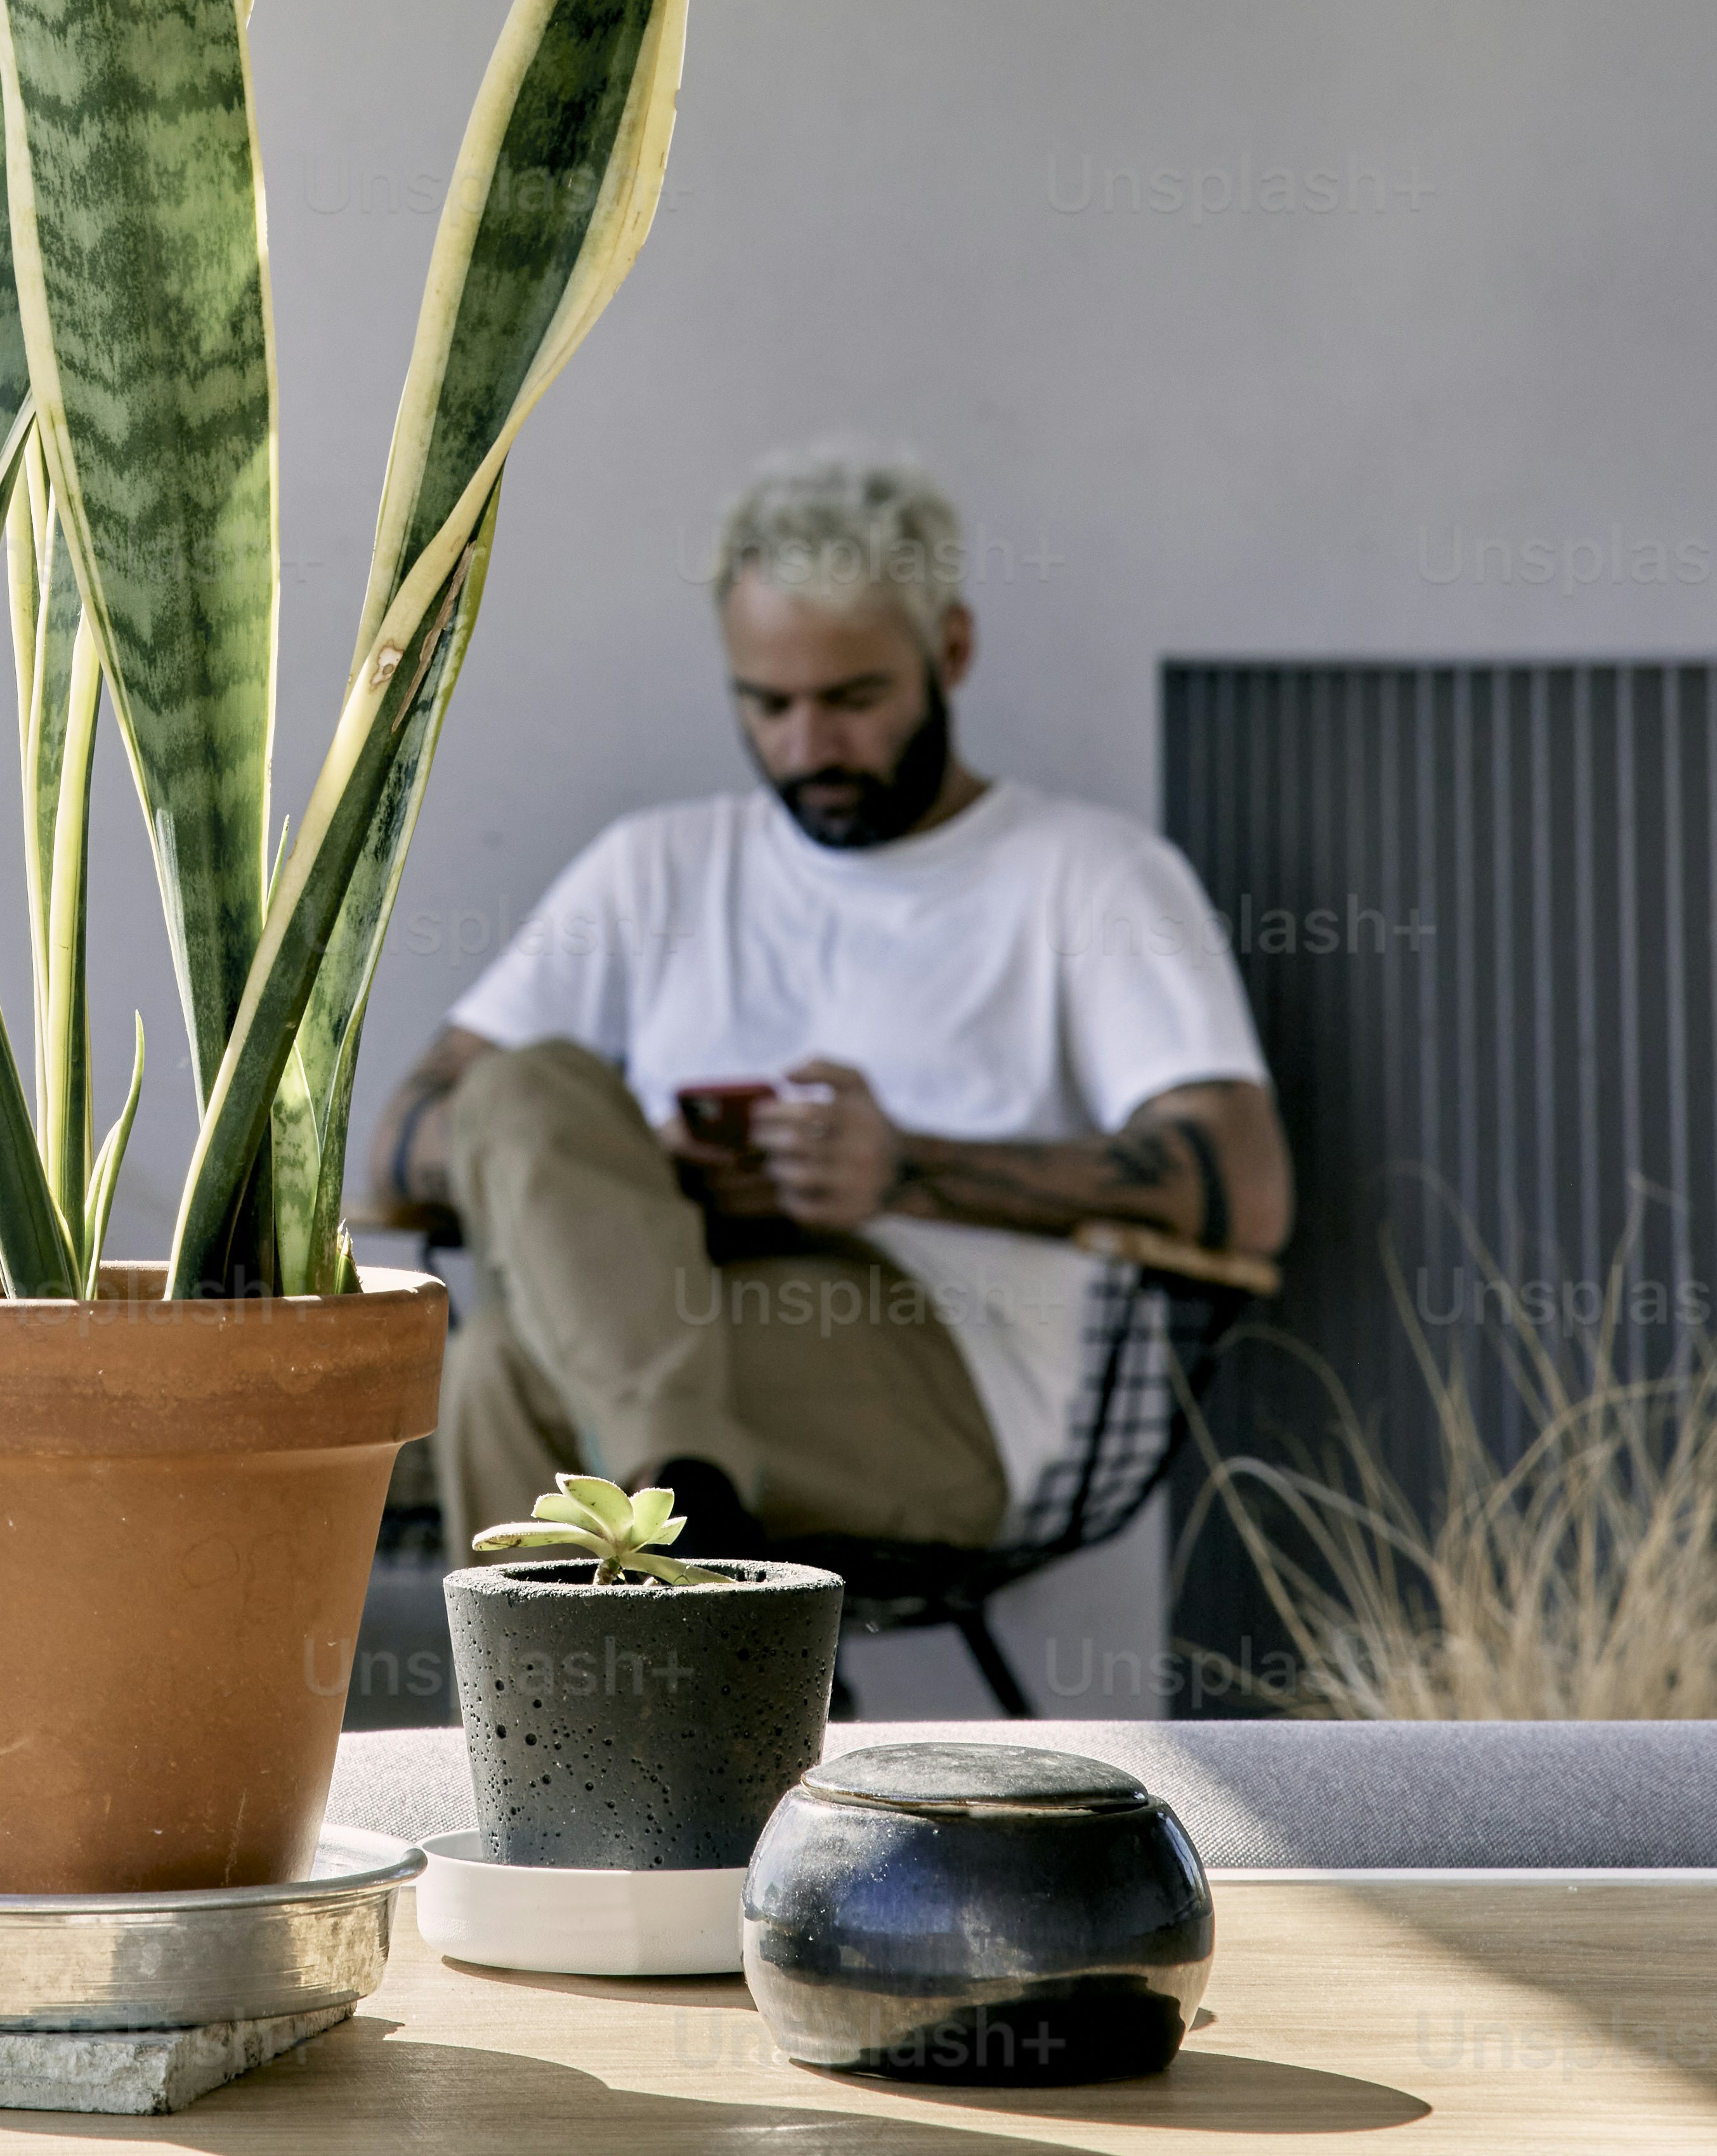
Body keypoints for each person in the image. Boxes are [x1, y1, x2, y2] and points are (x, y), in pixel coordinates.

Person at [363, 446, 1291, 1567]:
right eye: (769, 705)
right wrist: (632, 1180)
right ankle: (688, 1513)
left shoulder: (1086, 874)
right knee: (520, 1095)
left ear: (950, 649)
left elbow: (1243, 1189)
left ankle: (596, 1706)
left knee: (505, 1377)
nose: (810, 749)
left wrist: (902, 1170)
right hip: (671, 1323)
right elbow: (405, 1139)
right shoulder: (655, 867)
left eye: (854, 700)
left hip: (938, 1373)